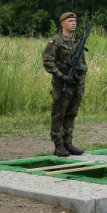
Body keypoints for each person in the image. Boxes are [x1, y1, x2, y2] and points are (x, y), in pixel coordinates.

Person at [42, 12, 86, 157]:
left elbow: (83, 64)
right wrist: (62, 76)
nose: (74, 23)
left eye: (75, 20)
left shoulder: (77, 42)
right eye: (70, 20)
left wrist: (80, 78)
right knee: (59, 114)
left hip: (76, 83)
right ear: (62, 23)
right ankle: (59, 144)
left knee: (71, 113)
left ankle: (68, 142)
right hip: (61, 84)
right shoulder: (56, 41)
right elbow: (48, 62)